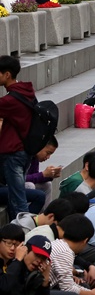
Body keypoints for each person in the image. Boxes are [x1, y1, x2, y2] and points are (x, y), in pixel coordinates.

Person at [0, 55, 38, 218]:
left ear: (7, 74)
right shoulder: (27, 93)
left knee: (18, 198)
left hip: (13, 153)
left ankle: (24, 232)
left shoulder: (10, 100)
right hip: (24, 151)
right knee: (15, 195)